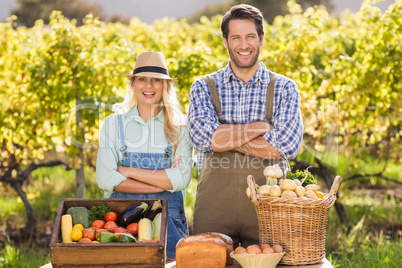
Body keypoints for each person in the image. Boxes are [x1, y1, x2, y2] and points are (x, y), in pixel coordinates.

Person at [187, 4, 303, 248]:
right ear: (226, 42)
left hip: (269, 205)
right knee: (208, 261)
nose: (244, 44)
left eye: (250, 36)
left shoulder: (284, 88)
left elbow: (285, 147)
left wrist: (225, 137)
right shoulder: (204, 86)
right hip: (214, 208)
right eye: (236, 37)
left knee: (270, 263)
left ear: (261, 39)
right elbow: (202, 140)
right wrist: (261, 127)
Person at [96, 51, 193, 260]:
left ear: (165, 86)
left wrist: (126, 171)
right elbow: (105, 179)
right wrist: (160, 185)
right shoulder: (114, 124)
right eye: (142, 79)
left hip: (169, 224)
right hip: (120, 224)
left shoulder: (181, 127)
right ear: (133, 84)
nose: (148, 86)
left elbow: (181, 179)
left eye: (156, 80)